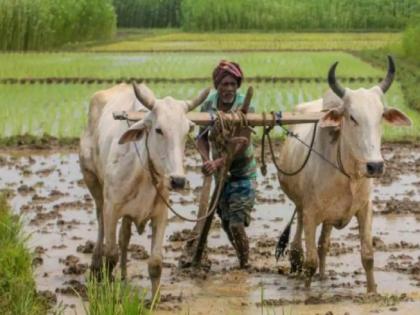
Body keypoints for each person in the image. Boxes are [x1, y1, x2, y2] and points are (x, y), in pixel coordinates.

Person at [196, 60, 257, 268]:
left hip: (243, 174)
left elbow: (242, 141)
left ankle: (245, 264)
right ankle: (242, 257)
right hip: (220, 176)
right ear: (217, 86)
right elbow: (201, 137)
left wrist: (218, 162)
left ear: (237, 85)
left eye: (232, 84)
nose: (228, 89)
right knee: (225, 223)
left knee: (237, 223)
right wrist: (207, 160)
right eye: (224, 84)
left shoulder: (245, 106)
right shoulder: (208, 106)